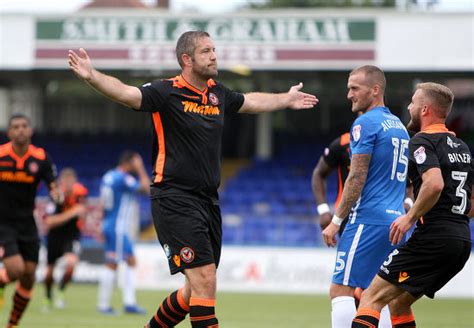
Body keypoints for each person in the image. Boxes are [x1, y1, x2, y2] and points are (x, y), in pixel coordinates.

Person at [68, 30, 318, 327]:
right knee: (205, 280)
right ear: (187, 59)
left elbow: (251, 101)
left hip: (208, 201)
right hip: (174, 198)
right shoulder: (165, 91)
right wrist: (91, 75)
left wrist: (285, 98)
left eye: (214, 49)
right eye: (206, 51)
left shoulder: (217, 92)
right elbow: (126, 93)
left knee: (192, 292)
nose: (214, 55)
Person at [352, 82, 473, 328]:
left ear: (425, 109)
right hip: (461, 242)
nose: (409, 107)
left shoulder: (421, 141)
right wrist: (453, 220)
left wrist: (410, 218)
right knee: (398, 303)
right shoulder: (462, 148)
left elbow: (434, 184)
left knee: (369, 298)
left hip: (433, 239)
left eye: (413, 102)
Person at [322, 65, 410, 328]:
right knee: (376, 294)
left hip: (367, 220)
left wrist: (337, 220)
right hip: (394, 222)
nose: (349, 94)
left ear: (375, 90)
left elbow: (357, 175)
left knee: (340, 290)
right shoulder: (399, 126)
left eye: (354, 88)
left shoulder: (365, 123)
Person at [0, 113, 58, 328]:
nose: (21, 129)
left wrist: (56, 194)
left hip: (27, 223)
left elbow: (53, 184)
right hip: (3, 222)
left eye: (24, 125)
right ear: (9, 132)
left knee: (29, 276)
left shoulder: (41, 157)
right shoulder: (1, 155)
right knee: (15, 270)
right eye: (16, 126)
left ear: (31, 130)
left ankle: (12, 324)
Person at [97, 151, 150, 315]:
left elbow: (102, 202)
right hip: (117, 227)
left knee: (131, 260)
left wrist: (101, 223)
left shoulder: (109, 176)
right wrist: (140, 168)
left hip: (111, 224)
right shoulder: (123, 177)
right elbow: (146, 188)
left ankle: (129, 303)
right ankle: (104, 305)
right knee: (112, 263)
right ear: (129, 162)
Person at [43, 167, 88, 310]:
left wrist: (82, 215)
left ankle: (61, 291)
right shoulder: (55, 196)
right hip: (54, 236)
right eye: (65, 181)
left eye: (71, 181)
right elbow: (49, 222)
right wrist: (72, 212)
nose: (68, 184)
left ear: (74, 182)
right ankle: (48, 297)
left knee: (72, 263)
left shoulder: (80, 193)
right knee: (49, 272)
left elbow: (83, 214)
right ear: (61, 182)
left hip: (71, 235)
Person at [312, 132, 350, 234]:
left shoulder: (387, 142)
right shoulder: (343, 143)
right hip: (347, 217)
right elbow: (318, 174)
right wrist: (323, 210)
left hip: (379, 216)